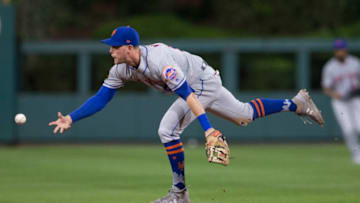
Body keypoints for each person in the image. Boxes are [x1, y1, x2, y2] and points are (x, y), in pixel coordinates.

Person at [49, 26, 324, 203]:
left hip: (201, 83)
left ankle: (179, 194)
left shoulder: (160, 63)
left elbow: (189, 95)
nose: (110, 50)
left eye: (115, 46)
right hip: (204, 80)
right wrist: (71, 118)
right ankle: (298, 104)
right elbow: (102, 98)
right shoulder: (121, 69)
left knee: (167, 129)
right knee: (244, 115)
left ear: (129, 47)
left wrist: (207, 129)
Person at [322, 38, 360, 165]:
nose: (340, 52)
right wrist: (334, 94)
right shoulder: (330, 67)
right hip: (340, 102)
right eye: (338, 50)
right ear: (335, 51)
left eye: (342, 49)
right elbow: (326, 88)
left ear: (346, 50)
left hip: (355, 99)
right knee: (349, 129)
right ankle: (356, 154)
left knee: (359, 126)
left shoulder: (355, 63)